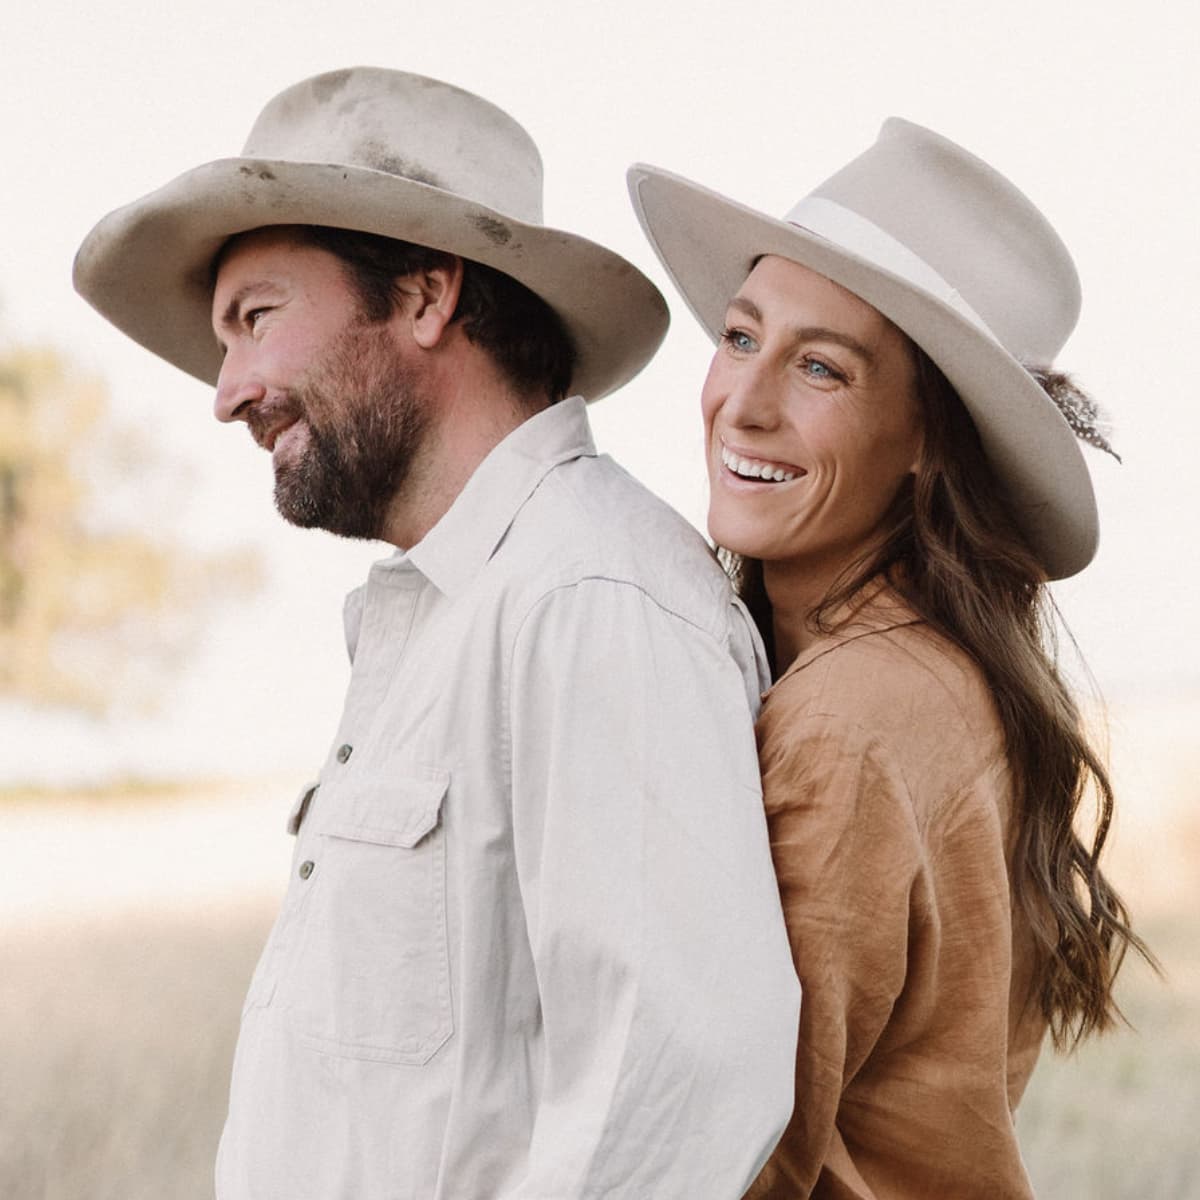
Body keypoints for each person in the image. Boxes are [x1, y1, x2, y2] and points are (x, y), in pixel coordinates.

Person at [74, 67, 801, 1199]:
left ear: (425, 295)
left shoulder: (587, 597)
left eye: (256, 318)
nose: (227, 392)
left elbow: (670, 1096)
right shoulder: (454, 610)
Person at [628, 119, 1151, 1198]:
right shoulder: (941, 669)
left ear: (925, 441)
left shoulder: (854, 715)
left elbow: (740, 1151)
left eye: (820, 367)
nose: (745, 400)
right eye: (740, 336)